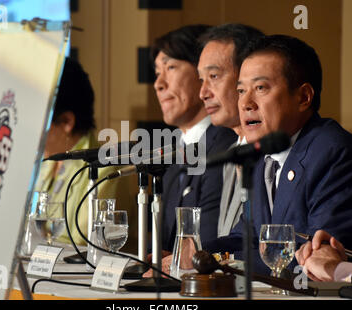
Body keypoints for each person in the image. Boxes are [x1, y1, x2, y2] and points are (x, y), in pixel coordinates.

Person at [203, 34, 352, 275]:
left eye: (260, 88)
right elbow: (246, 238)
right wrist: (196, 254)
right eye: (241, 91)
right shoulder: (265, 156)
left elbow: (316, 257)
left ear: (304, 97)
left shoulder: (332, 151)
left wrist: (217, 261)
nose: (245, 103)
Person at [151, 25, 237, 257]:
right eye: (157, 72)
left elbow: (208, 245)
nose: (159, 84)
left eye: (170, 67)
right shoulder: (172, 151)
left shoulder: (227, 146)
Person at [35, 57, 135, 251]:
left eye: (39, 118)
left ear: (66, 122)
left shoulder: (104, 167)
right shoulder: (47, 162)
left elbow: (84, 243)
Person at [198, 24, 264, 237]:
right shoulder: (231, 156)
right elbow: (230, 243)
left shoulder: (272, 158)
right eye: (201, 80)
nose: (203, 93)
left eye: (214, 76)